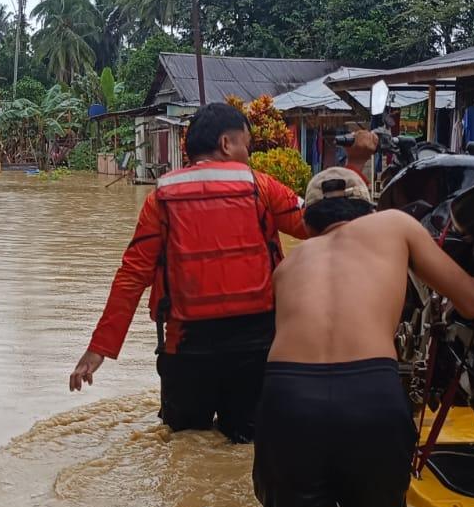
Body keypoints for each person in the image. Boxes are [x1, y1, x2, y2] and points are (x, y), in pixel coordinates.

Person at [252, 167, 474, 507]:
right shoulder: (396, 224)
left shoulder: (287, 269)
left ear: (309, 225)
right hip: (371, 395)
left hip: (288, 399)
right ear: (368, 210)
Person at [69, 102, 307, 443]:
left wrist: (99, 349)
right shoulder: (262, 188)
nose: (248, 154)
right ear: (227, 144)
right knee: (247, 446)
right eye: (246, 145)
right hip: (255, 346)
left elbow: (132, 275)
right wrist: (355, 168)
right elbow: (318, 225)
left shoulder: (161, 198)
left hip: (186, 349)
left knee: (183, 443)